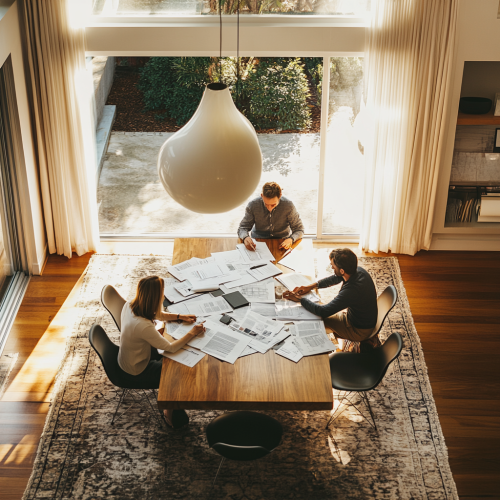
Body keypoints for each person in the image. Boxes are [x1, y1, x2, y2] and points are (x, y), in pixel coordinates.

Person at [118, 275, 205, 428]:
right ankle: (168, 412)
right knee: (177, 373)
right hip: (137, 369)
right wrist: (193, 332)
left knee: (173, 359)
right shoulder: (143, 326)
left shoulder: (131, 304)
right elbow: (170, 348)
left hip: (128, 357)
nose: (163, 296)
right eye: (162, 294)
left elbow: (155, 313)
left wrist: (179, 317)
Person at [284, 248, 379, 351]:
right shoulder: (358, 271)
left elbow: (323, 311)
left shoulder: (351, 290)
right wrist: (311, 286)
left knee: (316, 320)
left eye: (333, 266)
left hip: (358, 330)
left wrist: (300, 299)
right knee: (316, 307)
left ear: (342, 270)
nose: (331, 266)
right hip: (362, 320)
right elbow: (335, 278)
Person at [237, 181, 304, 251]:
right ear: (261, 195)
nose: (269, 208)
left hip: (282, 242)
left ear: (280, 196)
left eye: (273, 205)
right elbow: (242, 228)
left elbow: (299, 229)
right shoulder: (253, 205)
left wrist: (291, 239)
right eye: (266, 204)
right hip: (257, 243)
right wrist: (245, 237)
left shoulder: (288, 205)